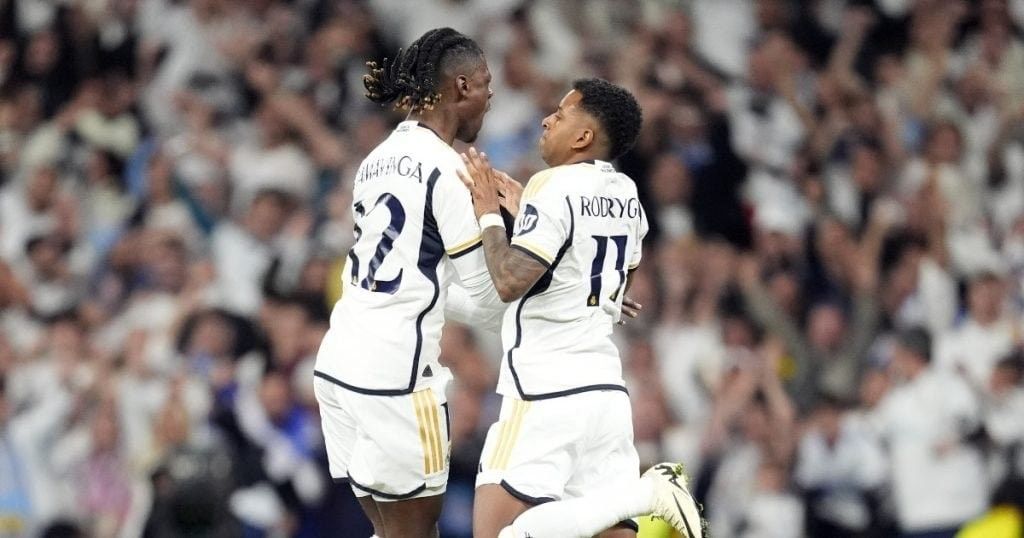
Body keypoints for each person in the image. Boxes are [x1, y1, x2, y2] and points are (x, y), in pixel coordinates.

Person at [458, 78, 705, 538]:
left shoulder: (551, 185)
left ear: (583, 136)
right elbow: (618, 277)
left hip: (546, 391)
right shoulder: (626, 192)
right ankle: (645, 496)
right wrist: (528, 215)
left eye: (561, 114)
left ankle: (648, 494)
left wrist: (488, 211)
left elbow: (509, 281)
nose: (547, 120)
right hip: (606, 394)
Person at [311, 27, 507, 538]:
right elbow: (489, 298)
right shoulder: (448, 169)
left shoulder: (375, 160)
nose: (491, 97)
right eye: (487, 83)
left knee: (386, 531)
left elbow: (416, 281)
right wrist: (496, 219)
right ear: (462, 86)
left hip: (339, 366)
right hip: (395, 379)